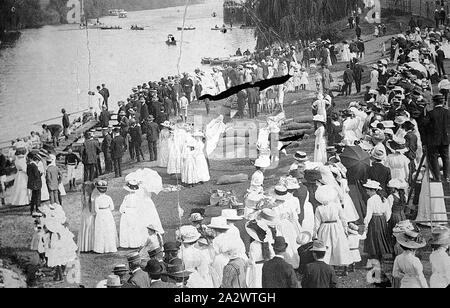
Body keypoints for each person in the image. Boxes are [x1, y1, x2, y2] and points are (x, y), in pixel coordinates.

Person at [314, 185, 353, 272]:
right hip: (336, 226)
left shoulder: (319, 208)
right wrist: (345, 227)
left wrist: (315, 234)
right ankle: (339, 263)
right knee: (338, 245)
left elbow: (317, 222)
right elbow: (343, 218)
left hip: (325, 227)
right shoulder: (336, 206)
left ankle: (328, 264)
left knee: (327, 245)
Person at [363, 180, 393, 269]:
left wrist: (366, 224)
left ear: (373, 190)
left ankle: (374, 262)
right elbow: (388, 212)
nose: (367, 192)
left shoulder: (371, 200)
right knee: (380, 239)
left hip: (374, 220)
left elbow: (369, 214)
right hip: (382, 220)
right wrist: (385, 221)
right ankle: (380, 261)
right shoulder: (384, 199)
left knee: (374, 240)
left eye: (368, 190)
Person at [423, 94, 450, 181]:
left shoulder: (431, 113)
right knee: (445, 157)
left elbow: (425, 126)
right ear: (442, 102)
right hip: (445, 139)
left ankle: (437, 177)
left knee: (433, 157)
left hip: (433, 139)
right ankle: (447, 176)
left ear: (434, 102)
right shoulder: (448, 112)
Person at [119, 180, 148, 248]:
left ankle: (127, 243)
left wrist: (123, 211)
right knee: (135, 227)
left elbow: (122, 206)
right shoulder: (138, 197)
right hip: (135, 212)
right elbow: (141, 206)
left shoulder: (126, 197)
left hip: (128, 212)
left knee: (128, 227)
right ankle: (135, 243)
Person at [93, 180, 118, 254]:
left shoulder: (97, 198)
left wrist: (101, 211)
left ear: (98, 190)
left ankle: (100, 248)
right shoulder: (108, 198)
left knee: (101, 230)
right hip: (108, 214)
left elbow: (96, 209)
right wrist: (107, 209)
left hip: (100, 214)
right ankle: (110, 247)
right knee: (109, 229)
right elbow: (112, 208)